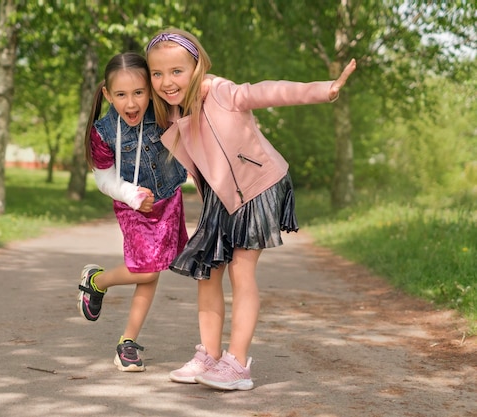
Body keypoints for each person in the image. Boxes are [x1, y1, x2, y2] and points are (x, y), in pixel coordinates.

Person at [145, 28, 357, 390]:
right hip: (221, 197)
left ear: (197, 67)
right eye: (157, 73)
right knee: (207, 274)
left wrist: (324, 89)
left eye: (176, 71)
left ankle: (238, 364)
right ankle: (209, 356)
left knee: (241, 271)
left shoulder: (221, 91)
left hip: (258, 187)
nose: (167, 81)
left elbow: (267, 90)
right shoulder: (173, 112)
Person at [77, 52, 189, 372]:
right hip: (132, 206)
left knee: (150, 270)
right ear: (108, 95)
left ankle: (128, 342)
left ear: (150, 91)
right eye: (122, 95)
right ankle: (97, 281)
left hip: (168, 201)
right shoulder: (103, 131)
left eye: (139, 93)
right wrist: (130, 194)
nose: (131, 103)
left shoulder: (166, 111)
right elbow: (103, 177)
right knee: (148, 270)